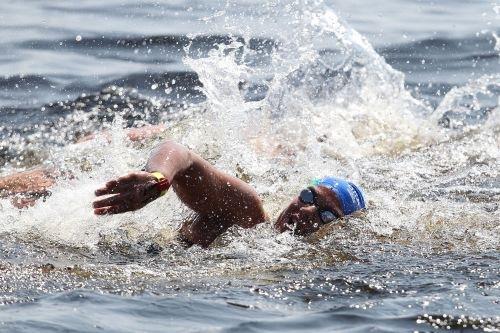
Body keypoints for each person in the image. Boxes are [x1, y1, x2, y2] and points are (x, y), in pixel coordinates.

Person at [1, 135, 366, 248]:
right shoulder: (250, 212)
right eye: (308, 197)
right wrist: (158, 179)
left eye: (326, 214)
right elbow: (184, 154)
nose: (306, 213)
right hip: (94, 196)